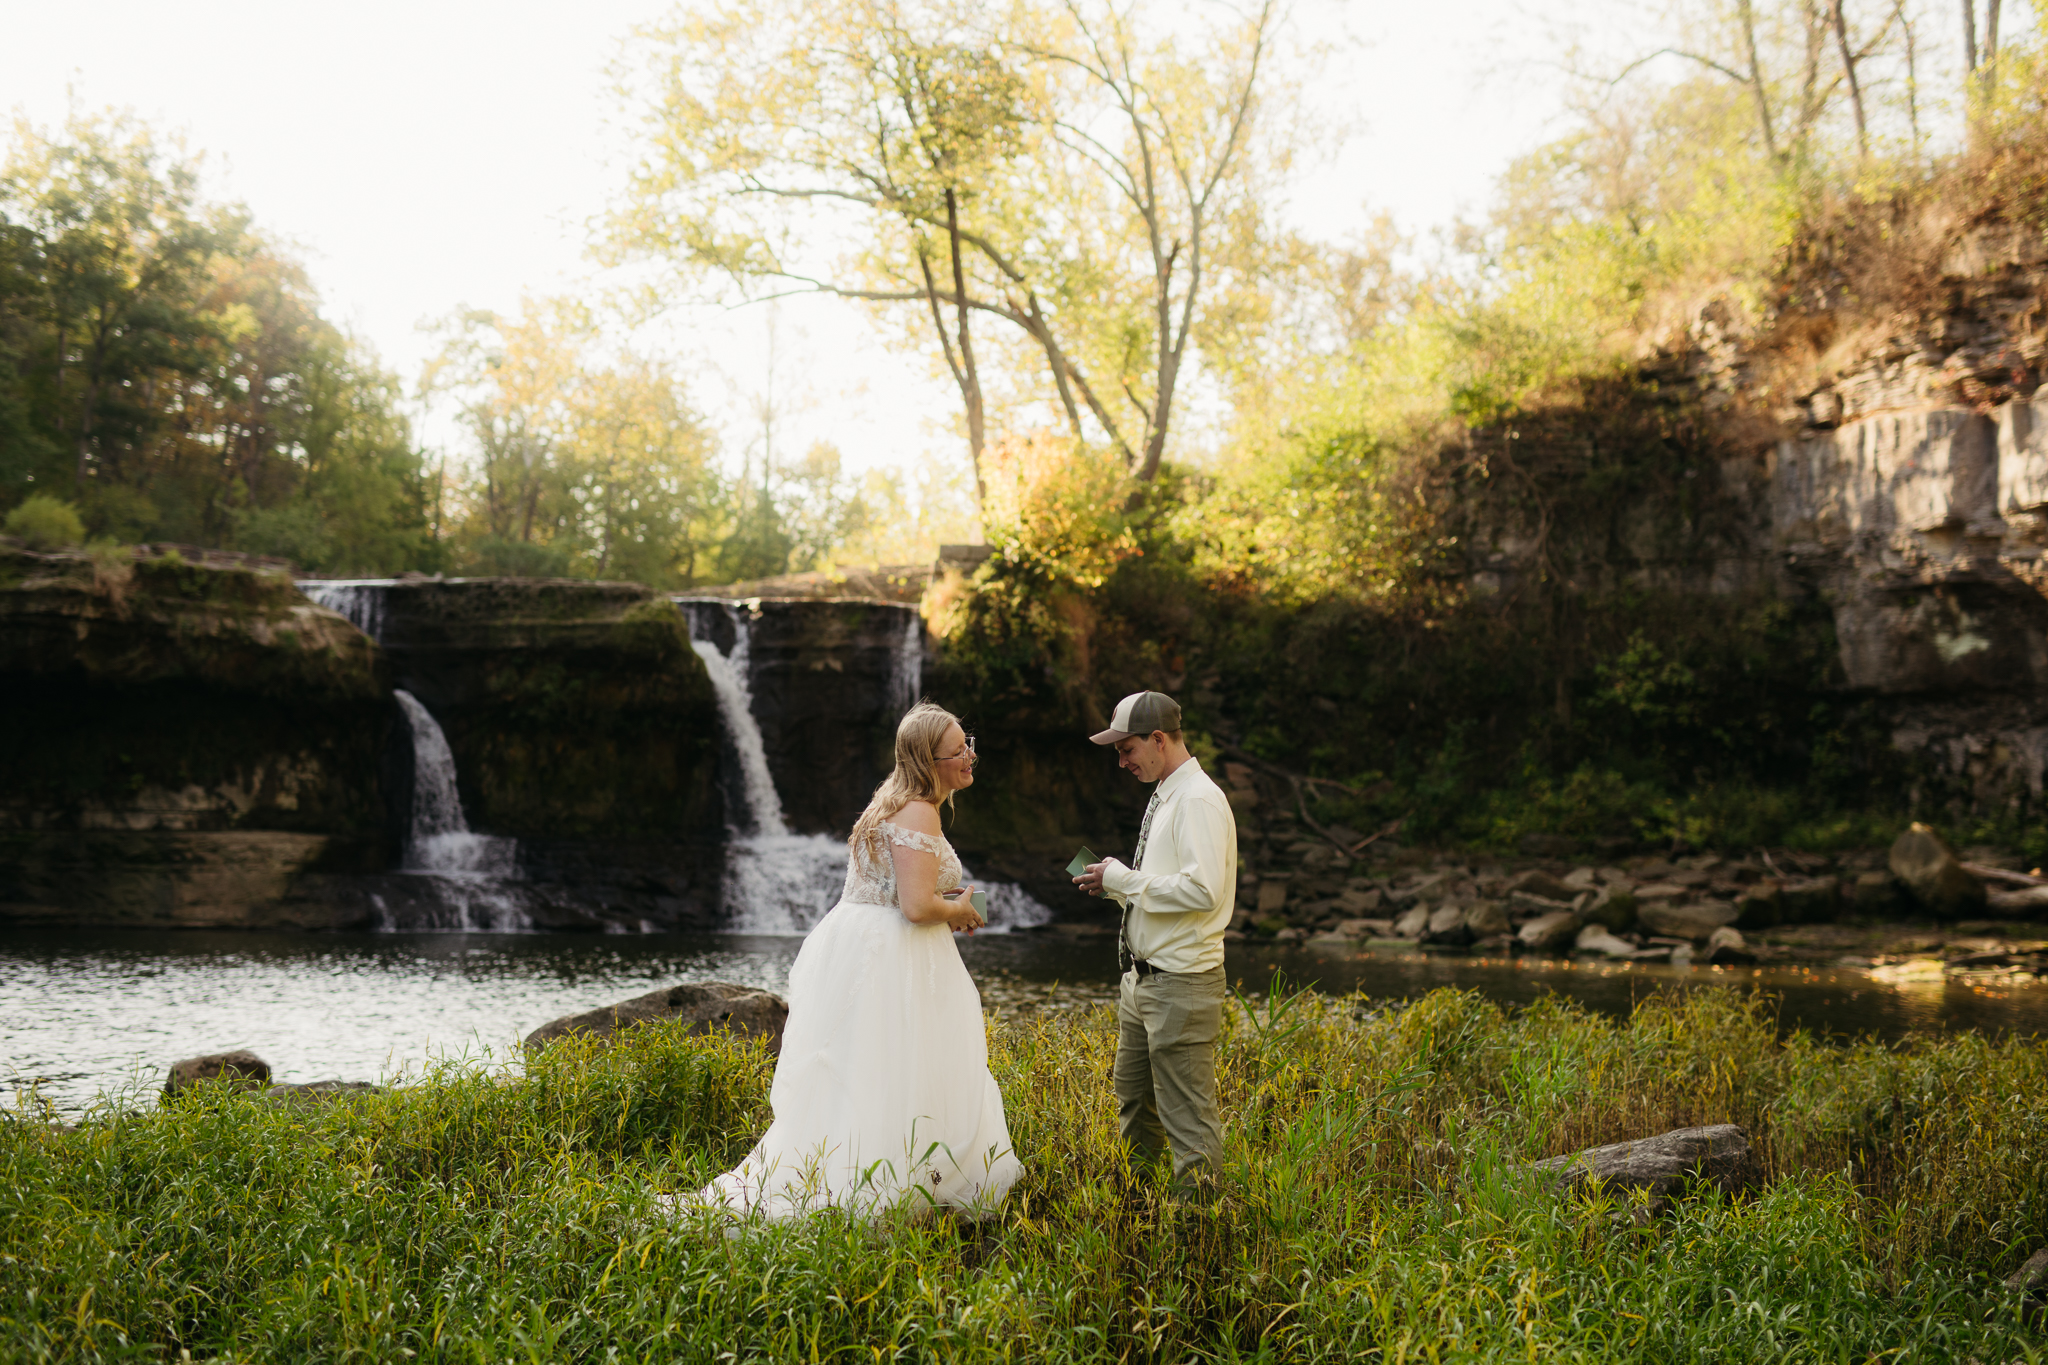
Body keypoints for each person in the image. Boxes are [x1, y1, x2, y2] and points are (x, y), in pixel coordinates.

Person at [685, 701, 1023, 1222]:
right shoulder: (919, 809)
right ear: (929, 761)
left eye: (969, 746)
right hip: (892, 956)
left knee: (872, 1068)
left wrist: (946, 902)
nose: (970, 757)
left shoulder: (891, 801)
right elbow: (914, 908)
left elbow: (896, 890)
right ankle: (884, 1189)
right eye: (959, 751)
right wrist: (957, 909)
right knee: (897, 1067)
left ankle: (873, 1174)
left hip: (864, 945)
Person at [1071, 691, 1238, 1193]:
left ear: (1159, 739)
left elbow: (1203, 891)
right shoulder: (1166, 793)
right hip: (1142, 984)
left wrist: (1124, 880)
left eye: (1126, 749)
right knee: (1135, 1108)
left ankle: (1202, 1240)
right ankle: (1140, 1222)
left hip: (1182, 986)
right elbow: (1169, 888)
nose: (1121, 761)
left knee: (1189, 1123)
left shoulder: (1199, 800)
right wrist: (1114, 885)